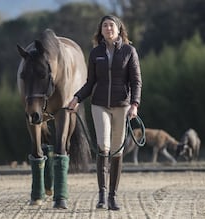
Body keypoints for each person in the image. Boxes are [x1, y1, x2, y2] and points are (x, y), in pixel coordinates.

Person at [67, 15, 142, 211]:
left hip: (122, 105)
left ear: (119, 29)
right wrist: (76, 98)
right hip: (99, 104)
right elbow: (90, 83)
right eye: (105, 26)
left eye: (111, 25)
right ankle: (101, 194)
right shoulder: (95, 53)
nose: (108, 28)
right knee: (104, 147)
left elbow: (136, 81)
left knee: (117, 150)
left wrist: (134, 104)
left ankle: (112, 196)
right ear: (100, 30)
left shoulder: (129, 51)